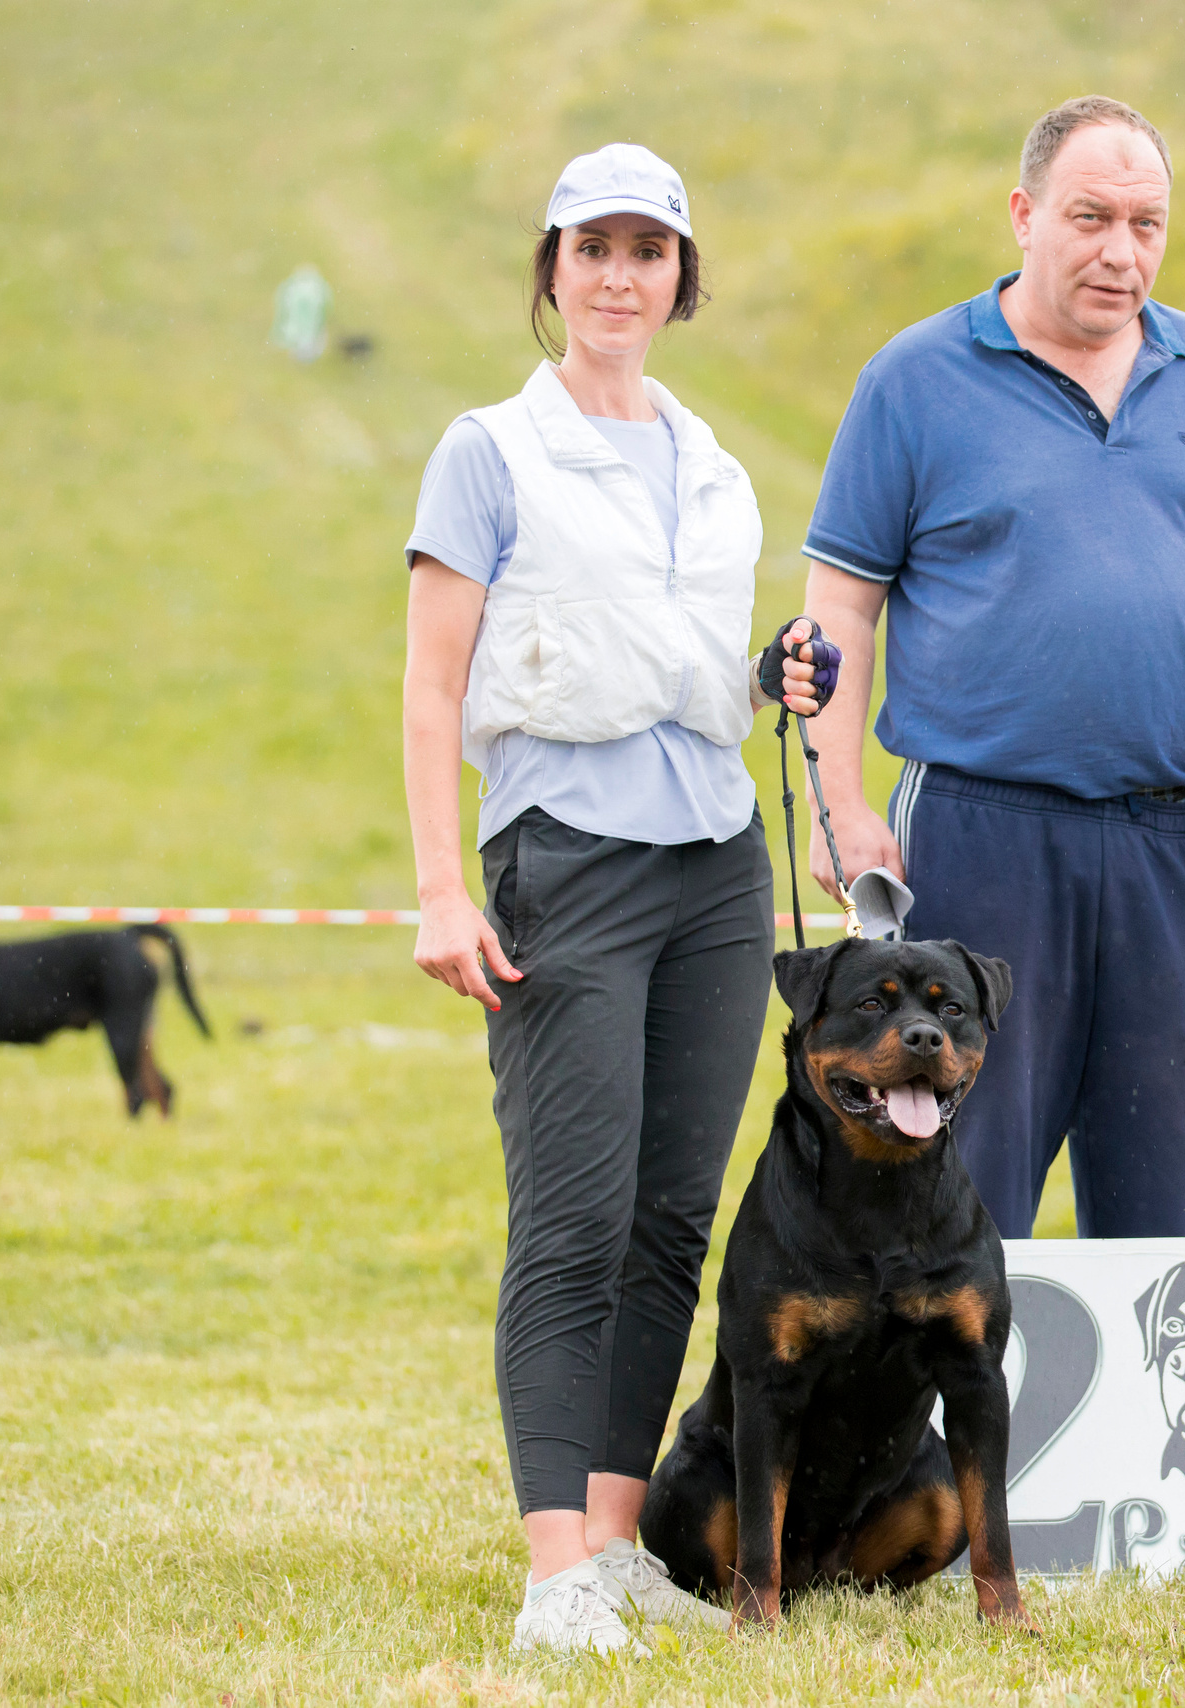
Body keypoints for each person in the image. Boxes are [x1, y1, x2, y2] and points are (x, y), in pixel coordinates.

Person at [400, 142, 831, 1657]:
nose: (619, 277)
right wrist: (442, 888)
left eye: (650, 252)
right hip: (562, 858)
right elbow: (433, 680)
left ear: (680, 278)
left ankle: (614, 1539)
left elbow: (698, 681)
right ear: (552, 267)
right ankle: (548, 1577)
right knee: (569, 1216)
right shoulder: (486, 451)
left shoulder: (712, 466)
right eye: (593, 248)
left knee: (667, 1219)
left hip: (713, 865)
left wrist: (775, 672)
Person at [799, 95, 1185, 1241]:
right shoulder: (914, 378)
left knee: (1161, 1194)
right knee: (964, 1188)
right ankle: (932, 1428)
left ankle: (1151, 1425)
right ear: (1023, 215)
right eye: (1091, 217)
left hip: (1170, 845)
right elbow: (841, 608)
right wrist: (839, 801)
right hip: (979, 833)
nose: (1122, 252)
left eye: (1147, 223)